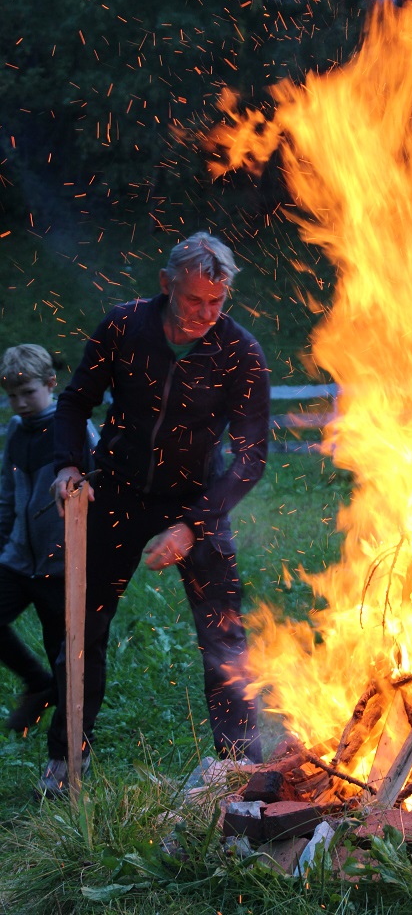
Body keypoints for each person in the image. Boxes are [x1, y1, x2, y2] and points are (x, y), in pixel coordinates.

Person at [39, 232, 270, 797]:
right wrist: (69, 465)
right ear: (167, 285)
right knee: (83, 628)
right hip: (115, 491)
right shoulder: (124, 326)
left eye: (217, 302)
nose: (206, 314)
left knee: (224, 636)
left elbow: (250, 458)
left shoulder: (239, 353)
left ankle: (240, 769)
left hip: (196, 501)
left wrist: (192, 525)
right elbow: (74, 403)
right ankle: (68, 757)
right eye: (194, 300)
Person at [0, 344, 96, 732]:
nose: (21, 403)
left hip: (62, 564)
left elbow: (100, 489)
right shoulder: (16, 431)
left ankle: (69, 737)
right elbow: (8, 493)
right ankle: (37, 683)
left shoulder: (73, 429)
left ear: (51, 384)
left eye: (29, 393)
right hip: (19, 560)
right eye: (12, 396)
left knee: (65, 653)